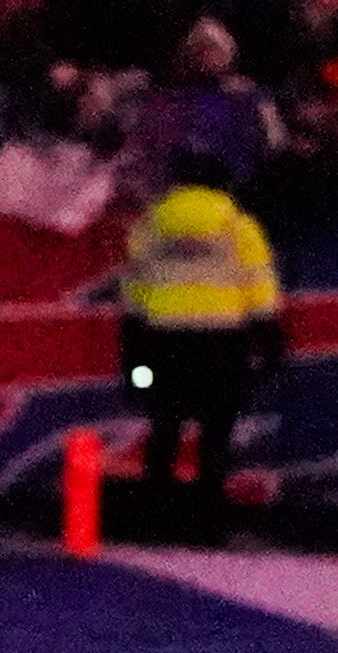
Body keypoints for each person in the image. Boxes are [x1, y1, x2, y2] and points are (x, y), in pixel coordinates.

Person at [119, 110, 286, 544]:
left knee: (165, 430)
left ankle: (151, 522)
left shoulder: (152, 224)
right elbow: (260, 290)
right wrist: (269, 346)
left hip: (163, 341)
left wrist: (133, 356)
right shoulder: (237, 226)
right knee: (215, 434)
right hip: (221, 343)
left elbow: (134, 290)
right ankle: (207, 524)